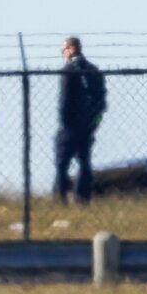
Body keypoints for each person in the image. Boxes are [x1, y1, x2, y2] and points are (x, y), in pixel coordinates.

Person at [54, 36, 107, 204]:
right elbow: (102, 101)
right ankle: (82, 197)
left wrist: (64, 121)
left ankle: (60, 197)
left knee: (62, 162)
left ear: (71, 49)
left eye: (64, 50)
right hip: (88, 125)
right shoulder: (94, 70)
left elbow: (65, 100)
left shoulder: (68, 71)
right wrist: (94, 122)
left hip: (70, 124)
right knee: (85, 161)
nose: (63, 54)